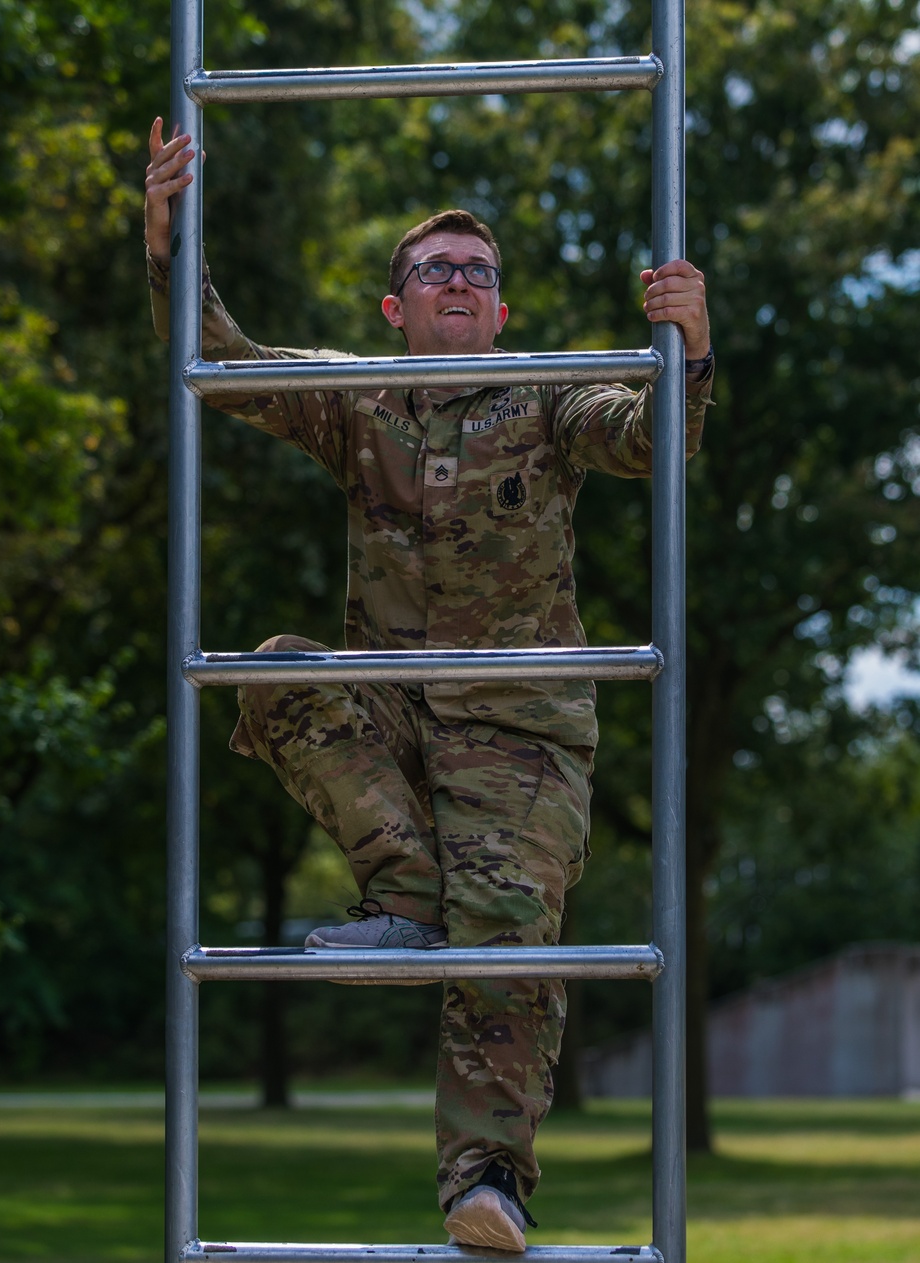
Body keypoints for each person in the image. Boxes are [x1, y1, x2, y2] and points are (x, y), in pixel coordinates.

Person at [145, 117, 713, 1252]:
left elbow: (648, 439)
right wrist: (168, 243)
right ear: (393, 308)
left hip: (520, 723)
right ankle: (402, 893)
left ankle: (484, 1182)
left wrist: (688, 353)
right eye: (432, 269)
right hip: (395, 703)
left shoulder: (545, 392)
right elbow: (222, 366)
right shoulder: (355, 401)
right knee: (277, 677)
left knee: (507, 934)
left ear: (499, 312)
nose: (457, 280)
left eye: (477, 272)